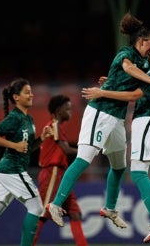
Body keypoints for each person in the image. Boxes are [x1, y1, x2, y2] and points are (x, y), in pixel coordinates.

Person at [45, 12, 150, 230]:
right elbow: (128, 69)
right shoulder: (126, 53)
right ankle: (55, 204)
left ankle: (110, 209)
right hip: (100, 113)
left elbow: (133, 76)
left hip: (117, 118)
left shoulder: (144, 61)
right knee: (85, 159)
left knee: (119, 166)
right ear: (142, 41)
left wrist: (110, 81)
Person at [81, 33, 150, 245]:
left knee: (137, 173)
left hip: (148, 119)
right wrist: (112, 81)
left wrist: (103, 93)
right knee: (137, 171)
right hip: (147, 120)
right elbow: (137, 76)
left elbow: (133, 95)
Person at [0, 78, 53, 246]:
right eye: (27, 92)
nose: (31, 94)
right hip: (12, 169)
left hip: (6, 171)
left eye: (31, 91)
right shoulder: (14, 117)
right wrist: (13, 144)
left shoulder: (29, 119)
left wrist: (42, 139)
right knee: (36, 207)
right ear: (16, 97)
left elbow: (26, 148)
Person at [33, 95, 88, 246]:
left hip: (61, 175)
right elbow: (64, 149)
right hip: (52, 173)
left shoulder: (57, 126)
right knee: (43, 212)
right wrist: (86, 151)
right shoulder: (54, 124)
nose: (70, 112)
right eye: (67, 108)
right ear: (58, 110)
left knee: (75, 213)